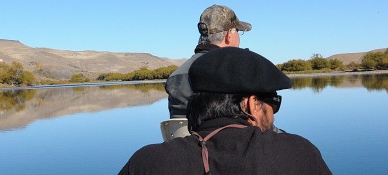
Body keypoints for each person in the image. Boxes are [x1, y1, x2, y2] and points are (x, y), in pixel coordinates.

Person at [122, 48, 332, 175]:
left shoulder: (147, 162)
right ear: (252, 104)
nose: (274, 115)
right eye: (274, 103)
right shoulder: (297, 153)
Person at [162, 5, 284, 140]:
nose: (239, 36)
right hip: (231, 149)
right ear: (228, 35)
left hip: (184, 148)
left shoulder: (175, 76)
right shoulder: (236, 71)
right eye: (238, 31)